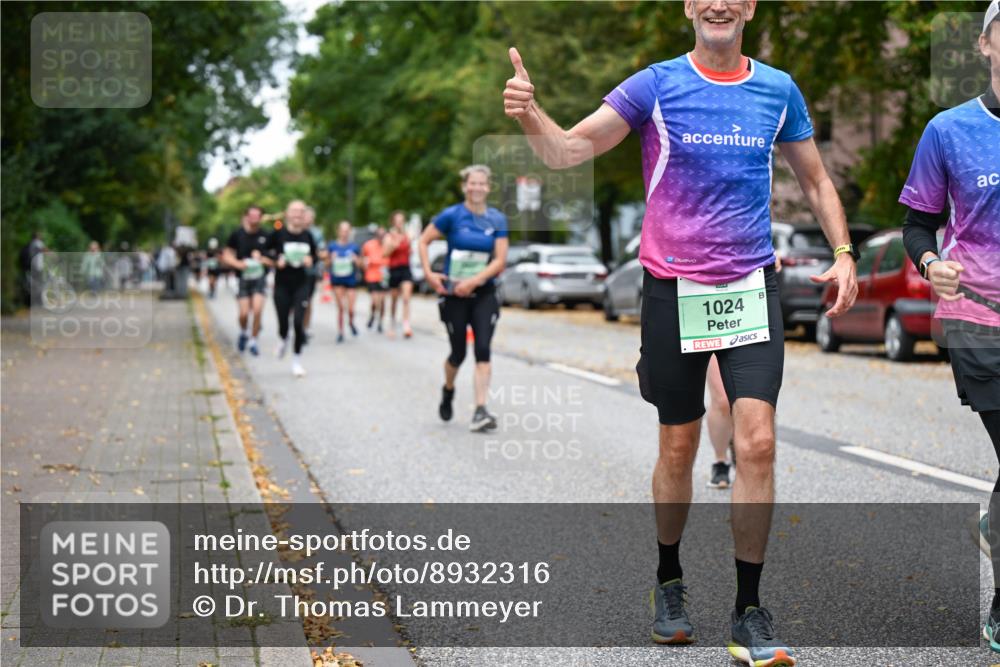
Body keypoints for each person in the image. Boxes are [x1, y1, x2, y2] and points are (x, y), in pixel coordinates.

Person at [503, 1, 859, 664]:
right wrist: (530, 114)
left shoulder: (777, 89)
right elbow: (568, 149)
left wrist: (843, 253)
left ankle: (748, 609)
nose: (718, 4)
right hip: (674, 288)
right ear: (690, 6)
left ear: (749, 7)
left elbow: (814, 179)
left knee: (758, 442)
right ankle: (669, 580)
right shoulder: (656, 85)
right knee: (678, 445)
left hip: (750, 285)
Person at [899, 0, 1000, 651]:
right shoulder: (948, 130)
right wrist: (931, 263)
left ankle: (994, 527)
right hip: (978, 318)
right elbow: (917, 224)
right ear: (986, 45)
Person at [419, 165, 509, 432]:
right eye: (472, 183)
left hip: (483, 293)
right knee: (457, 353)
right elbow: (423, 241)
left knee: (483, 349)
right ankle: (448, 389)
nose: (477, 187)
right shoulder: (452, 215)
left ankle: (480, 410)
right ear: (464, 186)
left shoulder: (497, 219)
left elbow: (500, 260)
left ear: (488, 188)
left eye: (482, 183)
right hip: (454, 295)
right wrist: (429, 273)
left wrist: (474, 281)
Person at [268, 200, 319, 377]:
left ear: (304, 215)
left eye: (301, 211)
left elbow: (315, 255)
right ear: (287, 214)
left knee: (298, 323)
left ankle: (296, 362)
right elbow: (265, 251)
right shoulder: (278, 234)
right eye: (294, 210)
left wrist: (311, 260)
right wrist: (276, 261)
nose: (297, 214)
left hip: (301, 284)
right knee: (283, 323)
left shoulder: (308, 235)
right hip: (282, 284)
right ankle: (283, 338)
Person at [223, 205, 271, 356]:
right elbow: (226, 255)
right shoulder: (237, 234)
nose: (254, 218)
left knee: (257, 310)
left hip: (259, 278)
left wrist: (263, 259)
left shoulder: (266, 236)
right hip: (243, 279)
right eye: (252, 215)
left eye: (257, 216)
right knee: (243, 314)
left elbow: (274, 258)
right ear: (246, 216)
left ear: (261, 218)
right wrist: (237, 264)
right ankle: (244, 332)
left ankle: (253, 341)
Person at [327, 221, 362, 343]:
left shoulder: (354, 247)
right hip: (337, 280)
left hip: (350, 280)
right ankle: (340, 332)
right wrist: (331, 259)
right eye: (342, 230)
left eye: (347, 231)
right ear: (338, 231)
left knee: (351, 309)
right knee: (341, 307)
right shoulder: (332, 246)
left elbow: (361, 265)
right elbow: (326, 264)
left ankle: (351, 322)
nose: (344, 233)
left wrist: (356, 260)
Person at [383, 210, 414, 339]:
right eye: (397, 221)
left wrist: (410, 249)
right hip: (394, 269)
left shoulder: (407, 235)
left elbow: (410, 251)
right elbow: (384, 254)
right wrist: (393, 246)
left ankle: (406, 325)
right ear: (393, 222)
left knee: (406, 298)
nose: (400, 223)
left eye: (402, 221)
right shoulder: (389, 236)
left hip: (406, 268)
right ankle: (392, 324)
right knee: (394, 299)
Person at [302, 206, 326, 342]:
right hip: (293, 272)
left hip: (310, 272)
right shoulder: (295, 230)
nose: (307, 219)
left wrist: (313, 256)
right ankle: (296, 324)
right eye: (305, 216)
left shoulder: (317, 233)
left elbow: (322, 252)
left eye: (310, 217)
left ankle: (305, 328)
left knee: (307, 301)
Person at [362, 225, 388, 333]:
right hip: (372, 276)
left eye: (383, 235)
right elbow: (363, 259)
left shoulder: (388, 245)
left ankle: (380, 322)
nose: (381, 237)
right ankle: (373, 315)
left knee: (382, 301)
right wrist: (365, 264)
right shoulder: (368, 245)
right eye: (379, 235)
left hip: (384, 276)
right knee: (375, 301)